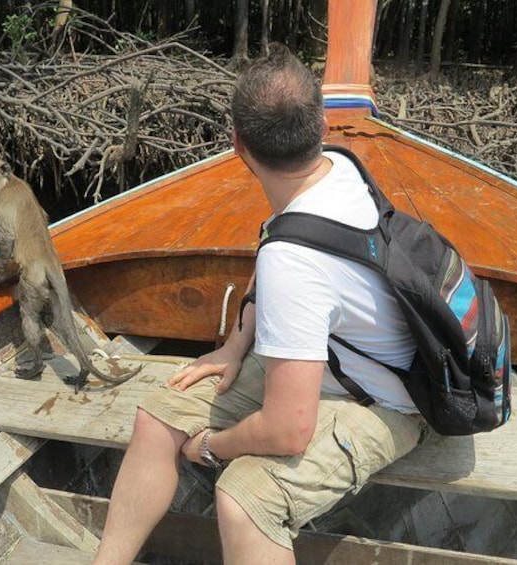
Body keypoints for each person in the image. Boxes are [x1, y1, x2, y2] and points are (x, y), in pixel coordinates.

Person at [92, 43, 427, 565]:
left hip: (390, 403)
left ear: (236, 146)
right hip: (331, 367)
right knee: (157, 418)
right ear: (321, 127)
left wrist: (210, 446)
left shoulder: (292, 263)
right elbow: (280, 237)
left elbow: (288, 430)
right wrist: (235, 343)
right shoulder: (338, 165)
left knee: (245, 499)